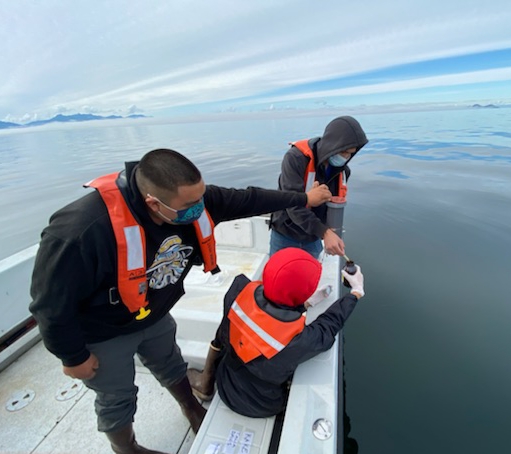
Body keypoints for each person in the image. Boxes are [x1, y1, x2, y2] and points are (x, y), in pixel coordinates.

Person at [29, 148, 332, 454]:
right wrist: (73, 357)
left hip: (154, 314)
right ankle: (127, 448)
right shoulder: (79, 230)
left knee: (171, 362)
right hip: (103, 331)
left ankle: (190, 407)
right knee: (116, 395)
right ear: (153, 202)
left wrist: (304, 199)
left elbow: (250, 199)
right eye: (190, 205)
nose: (199, 209)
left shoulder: (194, 201)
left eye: (201, 198)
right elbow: (49, 305)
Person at [186, 247, 365, 418]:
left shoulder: (238, 290)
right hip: (262, 405)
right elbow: (327, 327)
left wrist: (304, 303)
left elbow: (261, 316)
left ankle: (205, 381)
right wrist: (355, 292)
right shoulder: (296, 341)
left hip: (224, 384)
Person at [269, 116, 368, 259]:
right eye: (343, 152)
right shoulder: (295, 158)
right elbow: (292, 205)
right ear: (332, 145)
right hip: (286, 233)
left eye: (350, 154)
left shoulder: (343, 172)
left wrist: (331, 232)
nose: (345, 157)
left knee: (310, 277)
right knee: (280, 278)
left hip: (313, 238)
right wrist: (324, 232)